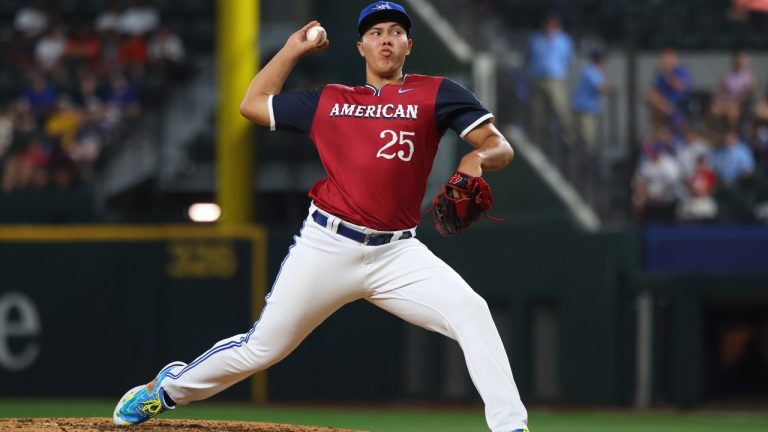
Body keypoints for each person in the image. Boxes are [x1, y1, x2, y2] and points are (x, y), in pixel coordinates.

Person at [112, 3, 529, 432]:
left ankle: (510, 427)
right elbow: (253, 104)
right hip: (328, 244)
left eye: (395, 32)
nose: (386, 38)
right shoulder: (330, 101)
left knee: (472, 312)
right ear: (361, 47)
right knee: (262, 348)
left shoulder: (438, 92)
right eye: (375, 32)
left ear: (408, 45)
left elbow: (499, 146)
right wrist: (292, 50)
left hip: (398, 253)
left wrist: (477, 159)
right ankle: (165, 390)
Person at [527, 12, 575, 146]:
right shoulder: (536, 39)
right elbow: (530, 57)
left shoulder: (564, 40)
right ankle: (541, 141)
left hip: (556, 79)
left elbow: (569, 60)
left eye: (553, 24)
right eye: (548, 23)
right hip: (538, 78)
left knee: (560, 110)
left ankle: (569, 139)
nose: (550, 27)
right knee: (538, 112)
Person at [570, 50, 612, 154]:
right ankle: (583, 163)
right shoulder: (591, 71)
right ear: (600, 61)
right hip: (585, 110)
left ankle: (579, 160)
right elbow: (601, 88)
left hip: (582, 108)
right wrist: (612, 87)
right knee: (587, 140)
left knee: (580, 139)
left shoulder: (588, 70)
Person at [709, 51, 755, 131]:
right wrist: (720, 101)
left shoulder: (749, 77)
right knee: (713, 110)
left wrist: (737, 102)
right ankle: (712, 134)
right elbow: (719, 91)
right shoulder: (727, 75)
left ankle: (732, 135)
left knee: (732, 114)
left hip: (739, 104)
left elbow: (750, 93)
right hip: (726, 102)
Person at [645, 48, 691, 129]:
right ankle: (670, 112)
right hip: (664, 105)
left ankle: (673, 114)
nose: (665, 62)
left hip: (679, 103)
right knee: (649, 97)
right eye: (664, 59)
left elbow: (680, 87)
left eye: (668, 59)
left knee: (657, 109)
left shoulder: (682, 71)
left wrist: (668, 74)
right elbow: (656, 91)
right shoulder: (660, 74)